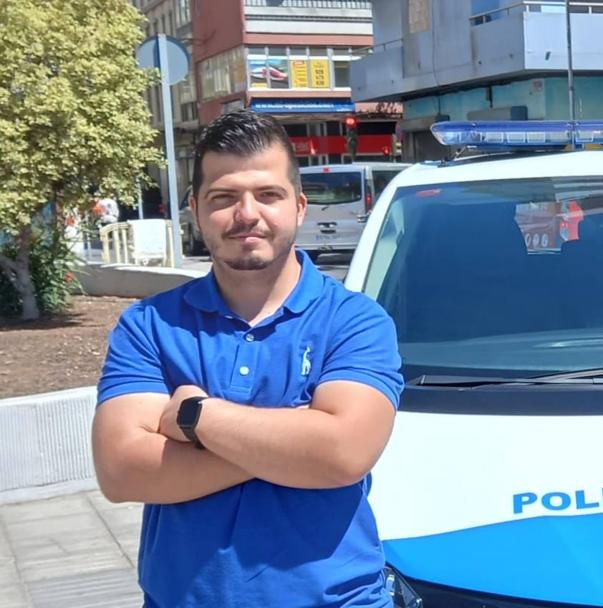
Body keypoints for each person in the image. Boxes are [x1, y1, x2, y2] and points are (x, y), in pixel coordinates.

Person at [92, 110, 404, 607]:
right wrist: (294, 444)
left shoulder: (354, 321)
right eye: (224, 197)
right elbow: (121, 471)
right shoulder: (149, 324)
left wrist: (196, 416)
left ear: (299, 206)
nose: (247, 213)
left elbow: (343, 453)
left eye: (268, 195)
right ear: (194, 209)